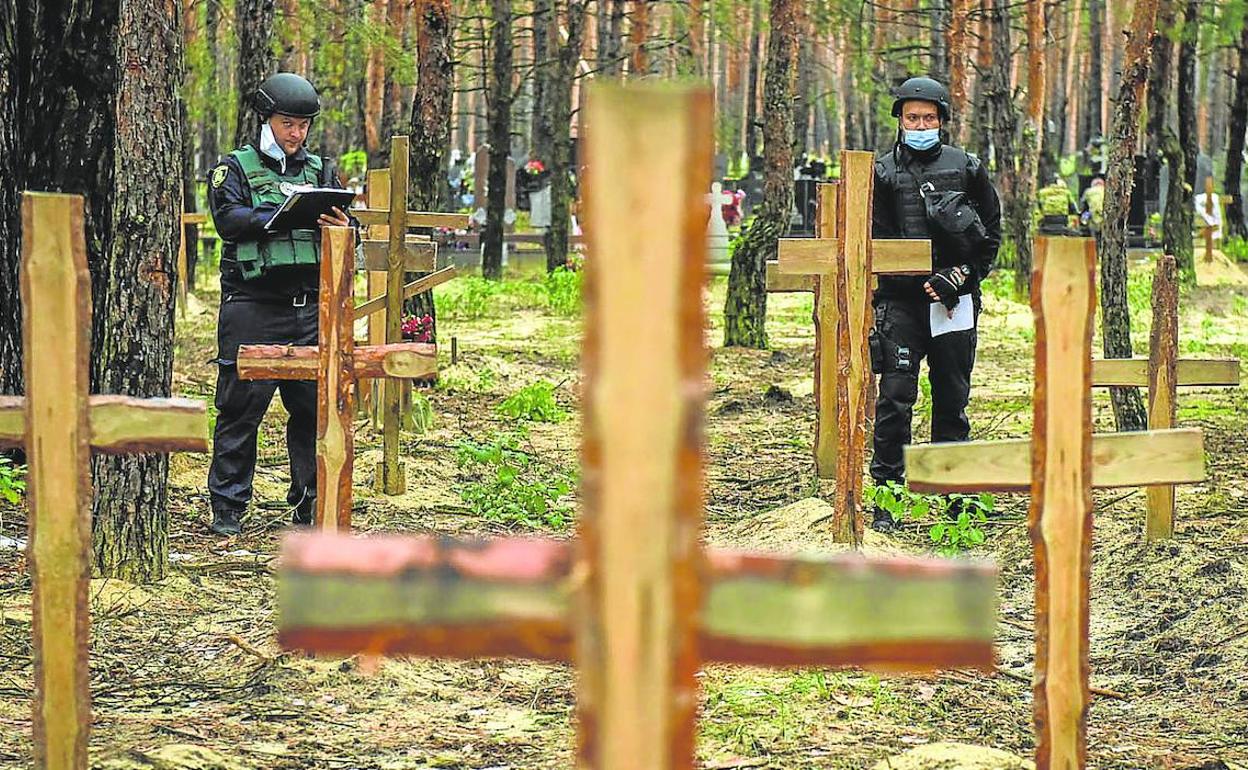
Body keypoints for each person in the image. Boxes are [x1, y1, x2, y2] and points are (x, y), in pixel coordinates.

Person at [206, 72, 354, 536]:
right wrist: (282, 216)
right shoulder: (233, 168)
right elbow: (229, 219)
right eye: (288, 123)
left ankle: (309, 502)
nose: (297, 133)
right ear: (267, 119)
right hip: (252, 304)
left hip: (309, 308)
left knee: (313, 410)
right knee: (240, 409)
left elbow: (346, 231)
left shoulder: (321, 172)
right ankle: (228, 509)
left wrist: (340, 222)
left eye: (304, 125)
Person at [869, 76, 1002, 532]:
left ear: (942, 120)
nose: (920, 124)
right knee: (894, 400)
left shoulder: (968, 168)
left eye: (928, 117)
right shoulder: (883, 173)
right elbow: (874, 243)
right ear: (900, 121)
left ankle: (955, 499)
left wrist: (958, 278)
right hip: (900, 305)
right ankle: (886, 498)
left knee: (951, 402)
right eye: (912, 117)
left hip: (954, 304)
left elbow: (991, 239)